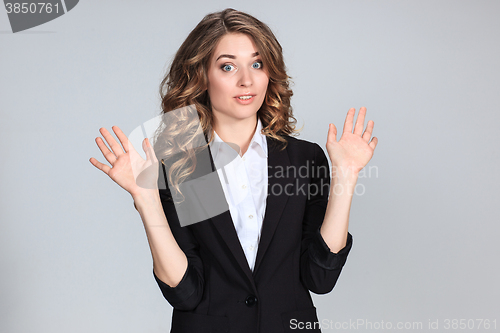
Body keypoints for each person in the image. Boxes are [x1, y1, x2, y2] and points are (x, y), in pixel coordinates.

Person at [89, 8, 378, 333]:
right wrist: (146, 199)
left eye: (257, 63)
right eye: (228, 66)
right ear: (202, 76)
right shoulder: (183, 166)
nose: (247, 80)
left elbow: (320, 278)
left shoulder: (303, 159)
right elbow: (185, 291)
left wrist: (346, 177)